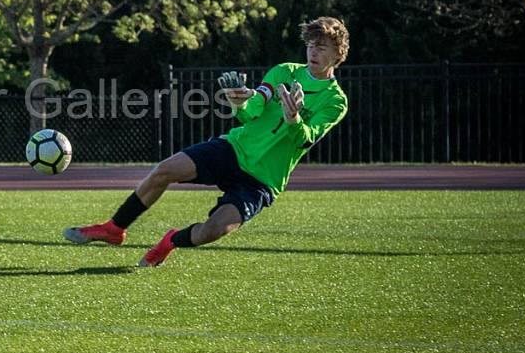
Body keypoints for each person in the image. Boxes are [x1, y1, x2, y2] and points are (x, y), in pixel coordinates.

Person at [64, 17, 350, 267]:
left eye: (321, 46)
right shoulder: (284, 71)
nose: (313, 51)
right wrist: (238, 103)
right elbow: (250, 115)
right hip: (233, 149)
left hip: (263, 180)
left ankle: (170, 241)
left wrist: (293, 119)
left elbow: (305, 139)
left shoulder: (335, 101)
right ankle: (115, 228)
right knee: (165, 169)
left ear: (337, 53)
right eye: (311, 44)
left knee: (213, 231)